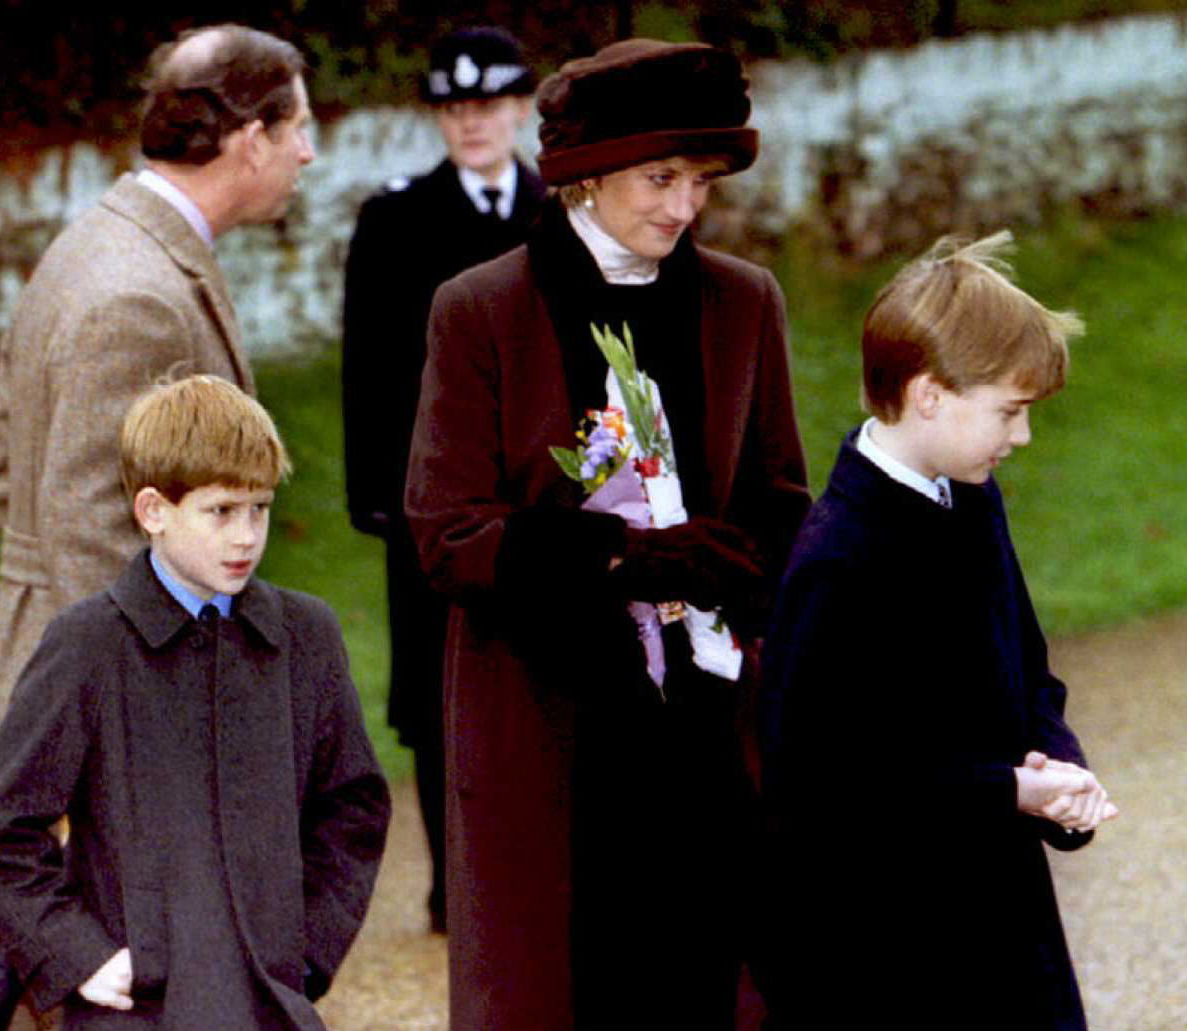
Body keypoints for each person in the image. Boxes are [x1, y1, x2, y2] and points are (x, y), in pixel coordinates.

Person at [405, 38, 812, 1029]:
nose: (681, 207)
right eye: (659, 178)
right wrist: (615, 555)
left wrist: (736, 561)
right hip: (553, 732)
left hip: (708, 734)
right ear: (584, 178)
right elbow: (446, 530)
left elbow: (783, 496)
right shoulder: (481, 309)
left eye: (700, 182)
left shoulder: (743, 299)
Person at [0, 23, 316, 1025]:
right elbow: (85, 525)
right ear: (249, 135)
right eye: (299, 126)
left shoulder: (105, 242)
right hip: (93, 704)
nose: (309, 152)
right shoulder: (136, 293)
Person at [755, 232, 1117, 1028]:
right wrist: (1004, 791)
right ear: (928, 394)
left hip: (1000, 914)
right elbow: (820, 781)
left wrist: (1058, 766)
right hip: (884, 947)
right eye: (1008, 412)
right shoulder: (837, 556)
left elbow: (1027, 668)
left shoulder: (972, 499)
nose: (1018, 437)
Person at [0, 375, 390, 1028]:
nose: (246, 535)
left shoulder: (305, 637)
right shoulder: (87, 645)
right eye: (220, 511)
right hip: (138, 1005)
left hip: (270, 998)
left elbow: (353, 806)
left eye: (259, 508)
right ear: (153, 511)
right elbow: (5, 829)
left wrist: (305, 950)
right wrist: (80, 954)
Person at [340, 25, 545, 933]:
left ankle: (531, 864)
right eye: (457, 110)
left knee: (537, 677)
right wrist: (377, 496)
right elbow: (369, 370)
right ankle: (452, 883)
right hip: (431, 501)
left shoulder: (558, 210)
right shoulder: (395, 220)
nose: (474, 124)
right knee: (433, 694)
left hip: (538, 499)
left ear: (519, 110)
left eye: (490, 106)